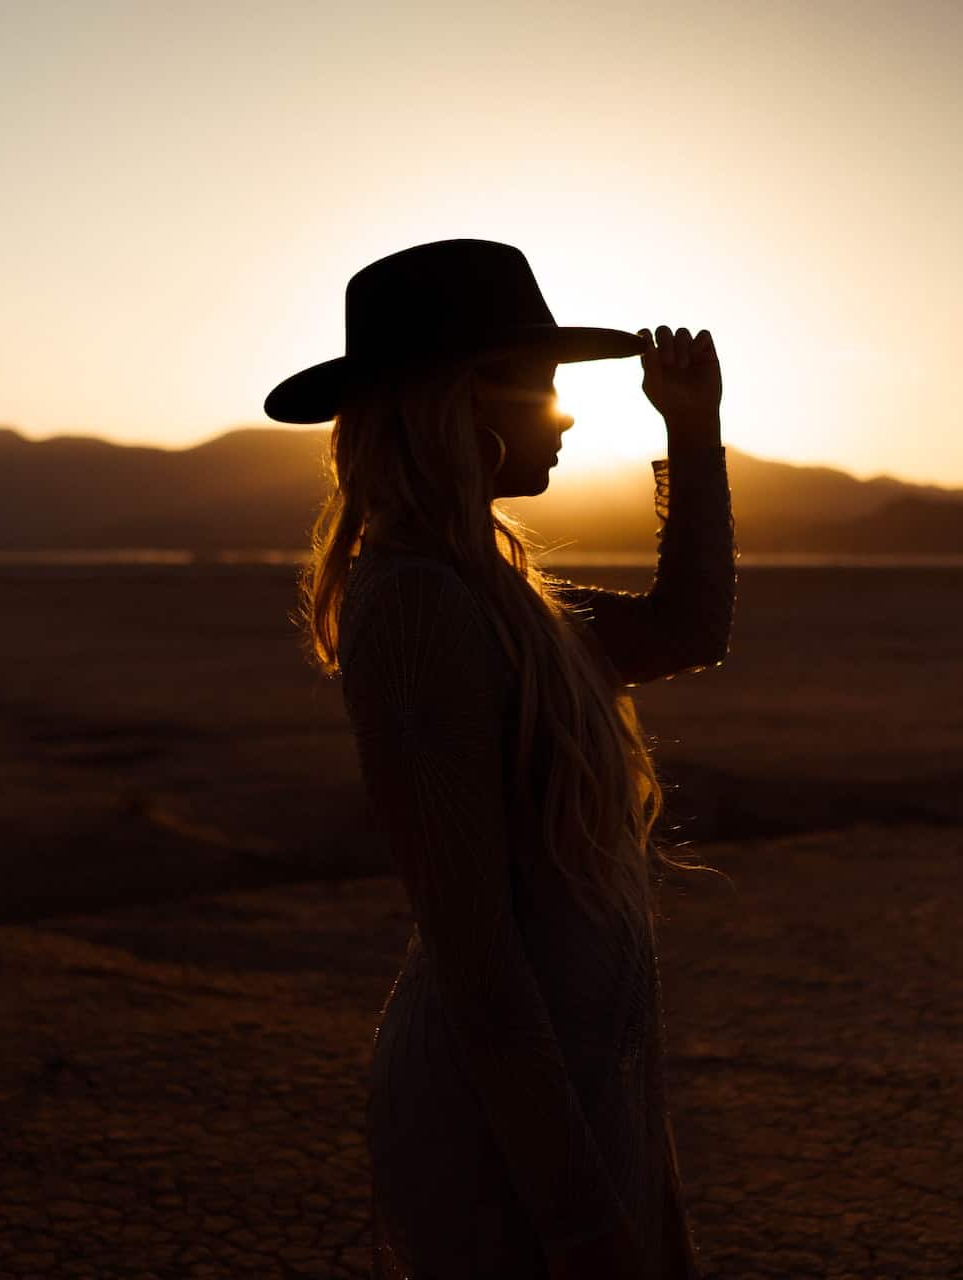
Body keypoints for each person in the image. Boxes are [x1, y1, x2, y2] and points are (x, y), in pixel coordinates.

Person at [270, 239, 735, 1279]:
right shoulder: (419, 608)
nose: (565, 416)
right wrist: (576, 1218)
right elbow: (475, 948)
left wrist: (693, 437)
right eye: (543, 387)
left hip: (576, 1077)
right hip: (507, 1120)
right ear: (458, 402)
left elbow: (690, 629)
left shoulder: (499, 598)